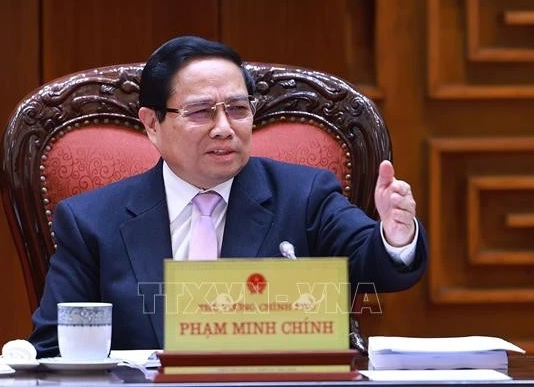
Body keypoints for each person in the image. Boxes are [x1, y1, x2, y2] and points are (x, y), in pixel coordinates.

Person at [29, 35, 428, 358]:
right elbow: (52, 349)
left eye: (238, 109)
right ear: (152, 124)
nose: (224, 128)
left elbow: (373, 266)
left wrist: (395, 237)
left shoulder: (304, 195)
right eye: (201, 112)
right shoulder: (91, 221)